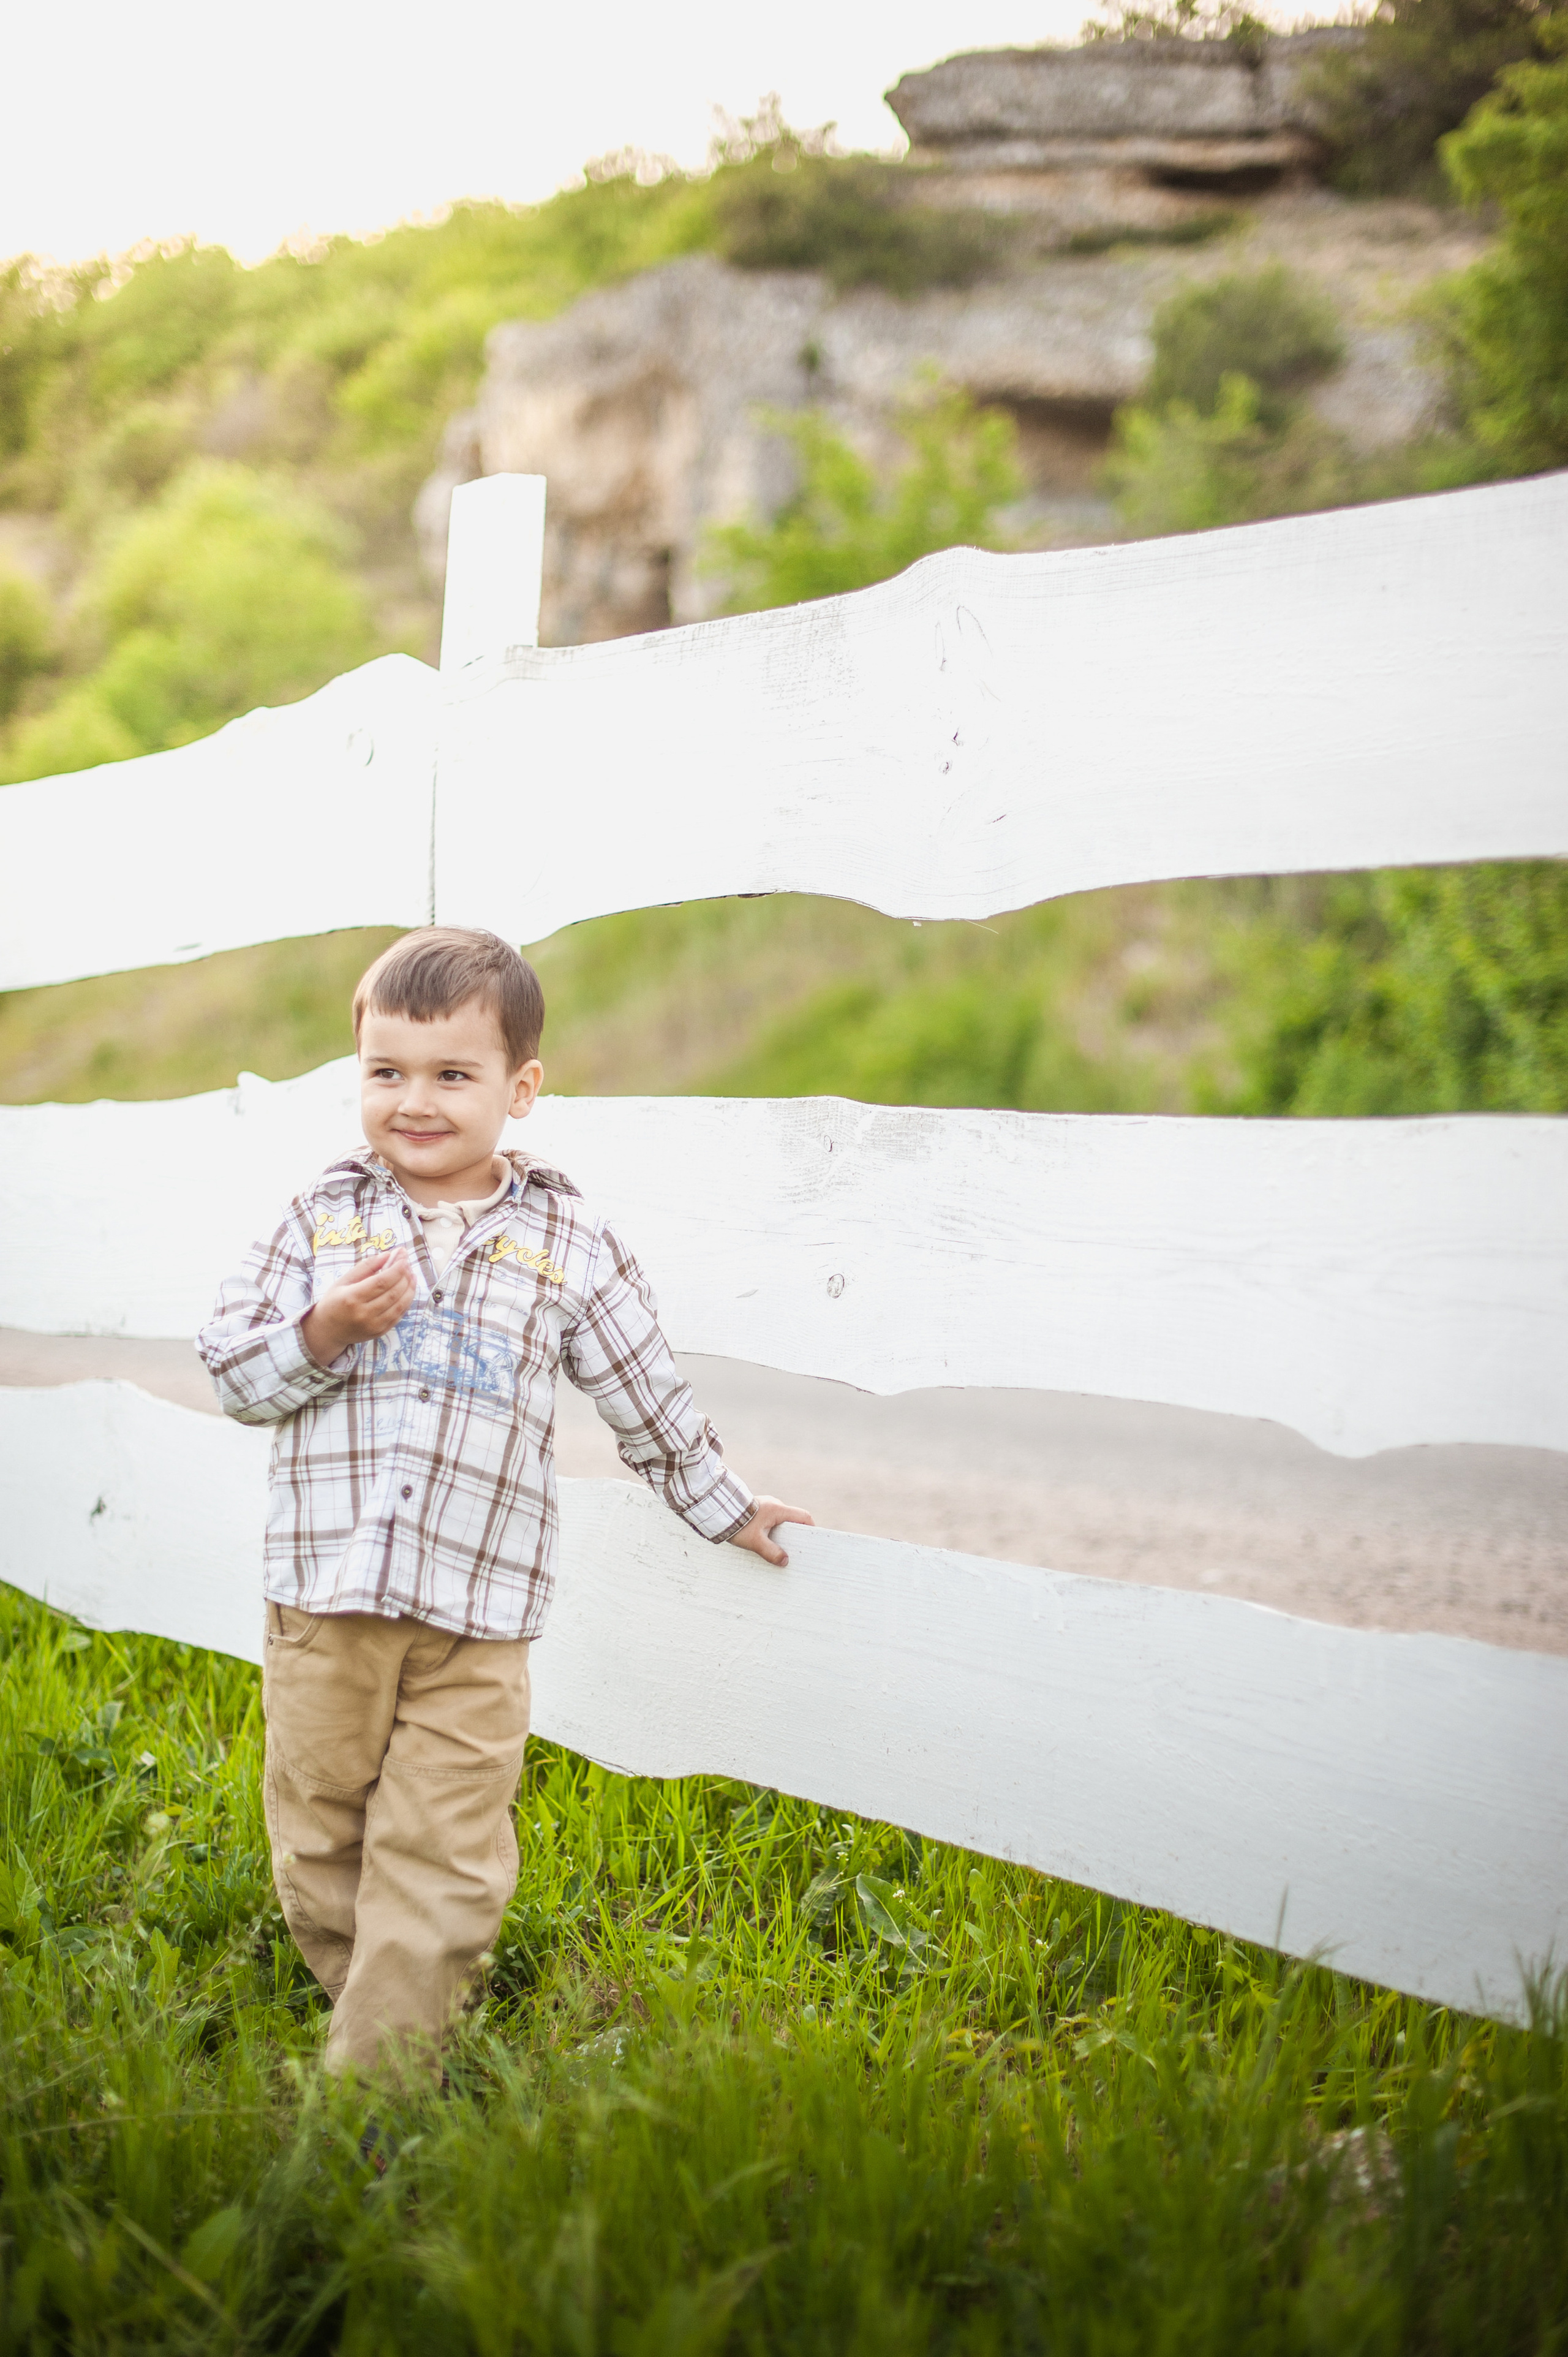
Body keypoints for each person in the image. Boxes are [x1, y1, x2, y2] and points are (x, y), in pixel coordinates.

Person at [197, 926, 810, 2079]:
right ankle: (381, 2011)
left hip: (480, 1617)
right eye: (387, 1072)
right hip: (327, 1603)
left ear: (521, 1089)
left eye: (452, 1074)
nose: (414, 1102)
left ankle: (374, 2093)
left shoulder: (566, 1241)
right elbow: (233, 1372)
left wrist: (726, 1504)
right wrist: (325, 1331)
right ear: (359, 1074)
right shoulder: (320, 1220)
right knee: (322, 1835)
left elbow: (644, 1389)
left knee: (447, 1849)